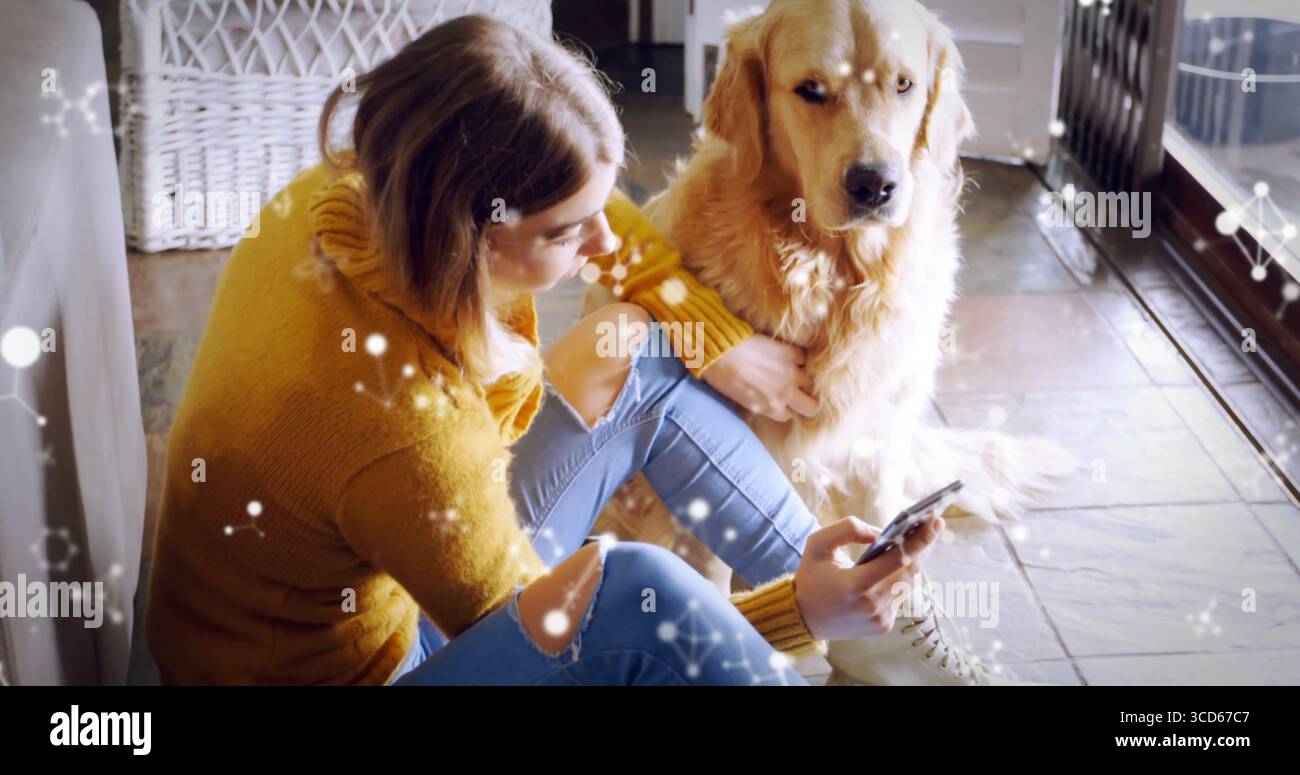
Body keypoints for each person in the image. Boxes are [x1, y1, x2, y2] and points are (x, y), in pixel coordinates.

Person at [143, 14, 944, 686]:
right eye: (566, 231)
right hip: (362, 670)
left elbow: (603, 220)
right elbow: (570, 645)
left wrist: (714, 336)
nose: (602, 242)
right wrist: (795, 614)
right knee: (631, 587)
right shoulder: (407, 432)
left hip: (374, 575)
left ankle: (882, 628)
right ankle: (834, 613)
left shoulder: (359, 184)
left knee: (632, 341)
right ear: (475, 238)